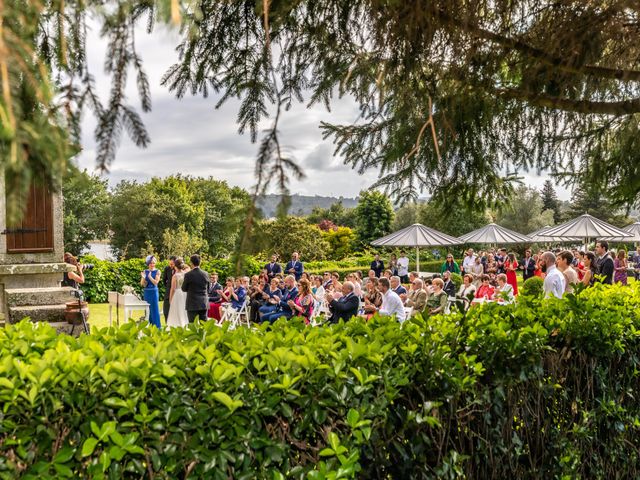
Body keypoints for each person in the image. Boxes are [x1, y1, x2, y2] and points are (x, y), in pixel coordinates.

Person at [181, 254, 210, 323]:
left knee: (192, 325)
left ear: (191, 263)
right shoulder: (206, 274)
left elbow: (184, 288)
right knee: (204, 324)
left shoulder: (188, 274)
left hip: (192, 303)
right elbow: (208, 288)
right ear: (200, 262)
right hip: (203, 302)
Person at [166, 257, 190, 328]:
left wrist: (170, 298)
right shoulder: (186, 274)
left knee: (176, 310)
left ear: (175, 266)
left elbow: (172, 289)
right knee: (184, 310)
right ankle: (185, 324)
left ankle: (177, 325)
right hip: (185, 293)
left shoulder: (175, 276)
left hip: (178, 293)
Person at [141, 255, 162, 328]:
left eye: (153, 263)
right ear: (148, 263)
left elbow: (156, 282)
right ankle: (148, 326)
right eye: (150, 263)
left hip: (154, 292)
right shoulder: (145, 271)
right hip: (147, 292)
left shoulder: (157, 271)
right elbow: (143, 284)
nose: (152, 265)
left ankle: (157, 327)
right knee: (147, 310)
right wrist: (143, 278)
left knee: (154, 309)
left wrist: (149, 277)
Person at [161, 256, 176, 320]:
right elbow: (164, 280)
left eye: (172, 264)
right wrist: (168, 287)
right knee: (166, 310)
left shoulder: (179, 270)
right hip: (168, 290)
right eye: (169, 264)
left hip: (176, 291)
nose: (170, 265)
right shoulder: (167, 268)